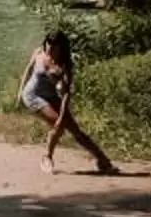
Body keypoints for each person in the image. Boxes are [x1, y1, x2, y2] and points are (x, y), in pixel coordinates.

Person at [20, 28, 117, 174]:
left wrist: (63, 115)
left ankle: (102, 160)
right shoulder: (39, 53)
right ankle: (47, 157)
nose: (50, 48)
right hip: (33, 95)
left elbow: (66, 94)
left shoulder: (64, 66)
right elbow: (28, 69)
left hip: (51, 96)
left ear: (61, 48)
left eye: (54, 46)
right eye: (48, 44)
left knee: (74, 129)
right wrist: (19, 91)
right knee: (58, 125)